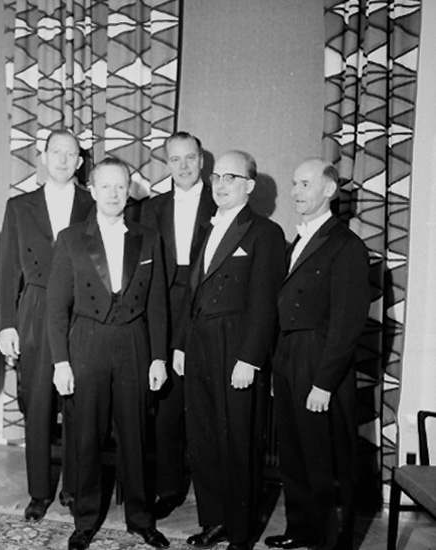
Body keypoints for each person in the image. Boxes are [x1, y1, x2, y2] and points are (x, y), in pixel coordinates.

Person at [47, 157, 170, 550]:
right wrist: (61, 361)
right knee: (86, 438)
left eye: (121, 186)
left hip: (134, 343)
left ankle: (140, 519)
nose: (114, 194)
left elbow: (158, 304)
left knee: (136, 436)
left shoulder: (148, 238)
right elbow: (56, 307)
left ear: (129, 189)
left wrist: (158, 357)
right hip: (87, 343)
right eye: (106, 186)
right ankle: (85, 521)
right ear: (92, 190)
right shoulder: (70, 238)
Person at [179, 151, 286, 550]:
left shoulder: (265, 232)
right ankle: (215, 521)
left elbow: (264, 303)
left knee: (239, 441)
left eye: (231, 177)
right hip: (200, 344)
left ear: (249, 185)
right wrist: (181, 346)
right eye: (217, 177)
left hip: (236, 348)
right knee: (204, 438)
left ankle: (241, 534)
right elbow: (192, 292)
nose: (220, 184)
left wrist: (250, 359)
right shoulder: (206, 229)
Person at [265, 158, 371, 550]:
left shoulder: (346, 246)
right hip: (290, 358)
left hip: (321, 361)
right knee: (294, 453)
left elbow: (347, 324)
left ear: (329, 190)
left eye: (305, 184)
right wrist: (278, 368)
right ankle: (301, 530)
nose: (296, 192)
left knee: (326, 457)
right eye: (294, 184)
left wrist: (324, 383)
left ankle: (332, 542)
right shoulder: (298, 242)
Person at [0, 129, 94, 522]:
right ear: (44, 156)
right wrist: (6, 325)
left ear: (80, 162)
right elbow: (7, 270)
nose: (63, 160)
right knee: (37, 401)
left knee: (77, 403)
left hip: (80, 309)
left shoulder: (93, 204)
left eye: (71, 154)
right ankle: (39, 492)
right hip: (35, 309)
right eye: (56, 152)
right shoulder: (19, 206)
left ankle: (73, 487)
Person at [140, 131, 216, 520]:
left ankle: (212, 499)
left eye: (189, 158)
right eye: (175, 159)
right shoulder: (151, 208)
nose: (183, 166)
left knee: (204, 413)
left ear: (201, 160)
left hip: (205, 309)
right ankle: (169, 489)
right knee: (166, 410)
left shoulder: (221, 202)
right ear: (166, 164)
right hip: (163, 310)